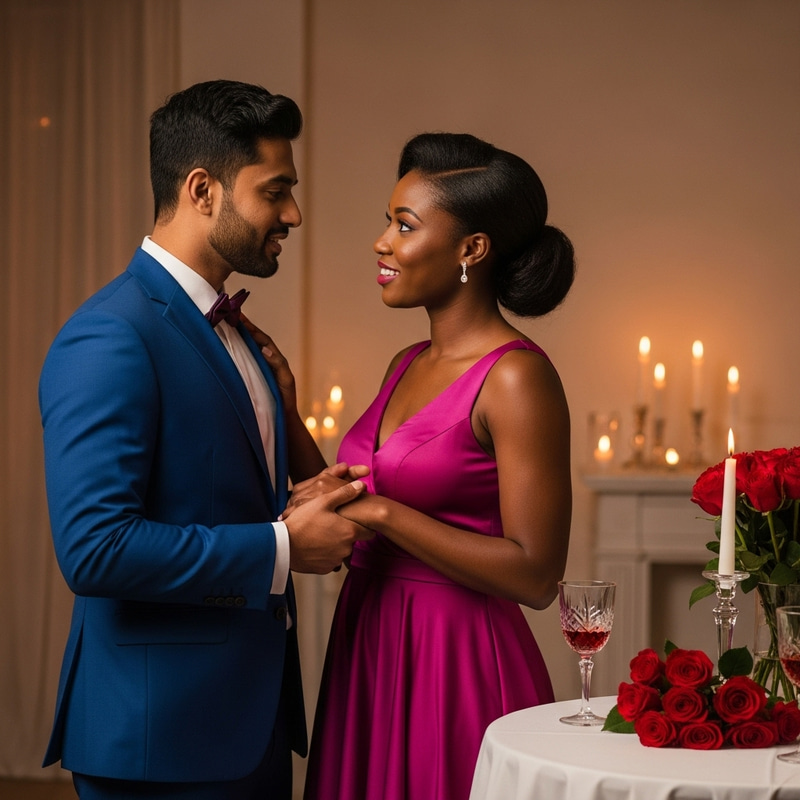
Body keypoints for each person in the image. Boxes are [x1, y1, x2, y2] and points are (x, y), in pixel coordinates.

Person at [38, 79, 371, 800]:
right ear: (202, 189)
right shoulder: (110, 335)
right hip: (159, 742)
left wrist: (304, 495)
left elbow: (220, 490)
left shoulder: (239, 336)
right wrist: (284, 548)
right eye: (275, 190)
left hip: (248, 725)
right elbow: (95, 548)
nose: (294, 213)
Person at [289, 131, 575, 800]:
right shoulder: (405, 365)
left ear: (472, 249)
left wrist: (386, 513)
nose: (381, 242)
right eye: (388, 220)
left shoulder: (515, 378)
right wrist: (285, 406)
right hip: (369, 640)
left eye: (404, 224)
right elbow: (353, 494)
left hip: (456, 660)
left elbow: (536, 576)